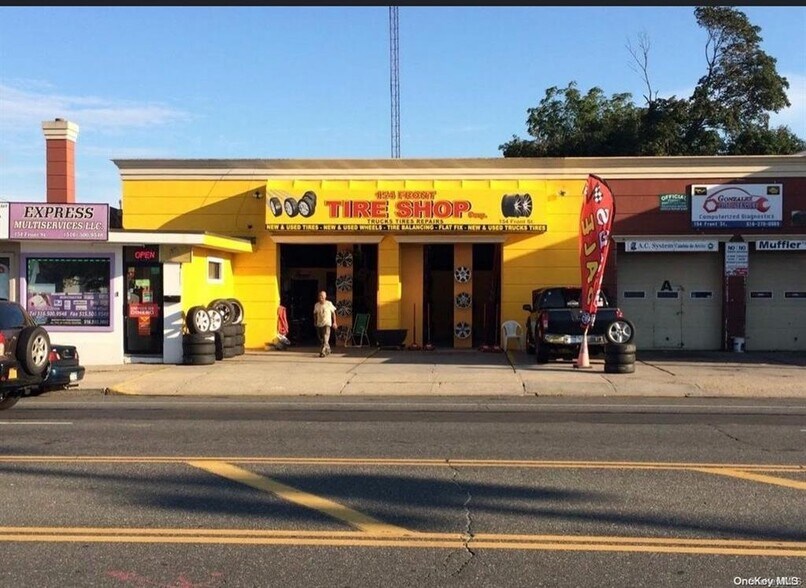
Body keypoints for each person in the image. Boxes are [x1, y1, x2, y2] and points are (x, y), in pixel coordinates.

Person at [313, 290, 337, 357]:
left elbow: (333, 313)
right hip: (319, 324)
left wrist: (334, 322)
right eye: (320, 296)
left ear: (325, 297)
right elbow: (315, 314)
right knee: (321, 338)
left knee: (326, 337)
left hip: (327, 323)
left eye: (322, 296)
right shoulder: (316, 305)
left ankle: (323, 352)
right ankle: (328, 349)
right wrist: (315, 321)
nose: (321, 297)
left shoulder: (329, 304)